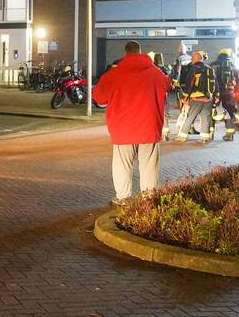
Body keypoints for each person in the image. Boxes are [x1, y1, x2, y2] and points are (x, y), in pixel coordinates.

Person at [92, 41, 171, 205]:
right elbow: (167, 85)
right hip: (149, 127)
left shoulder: (114, 74)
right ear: (141, 52)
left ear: (125, 54)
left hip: (123, 129)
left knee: (122, 165)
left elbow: (98, 97)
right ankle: (149, 198)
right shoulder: (156, 73)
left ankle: (123, 197)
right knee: (149, 166)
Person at [177, 51, 216, 143]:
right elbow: (214, 84)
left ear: (198, 58)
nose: (191, 59)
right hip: (208, 98)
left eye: (193, 58)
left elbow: (190, 83)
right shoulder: (209, 68)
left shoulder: (193, 68)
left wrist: (185, 97)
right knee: (205, 117)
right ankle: (204, 137)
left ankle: (182, 136)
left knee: (190, 117)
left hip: (196, 97)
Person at [211, 48, 238, 141]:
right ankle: (230, 134)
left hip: (216, 92)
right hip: (229, 92)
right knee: (229, 112)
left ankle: (210, 133)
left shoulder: (213, 64)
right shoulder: (233, 65)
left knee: (212, 111)